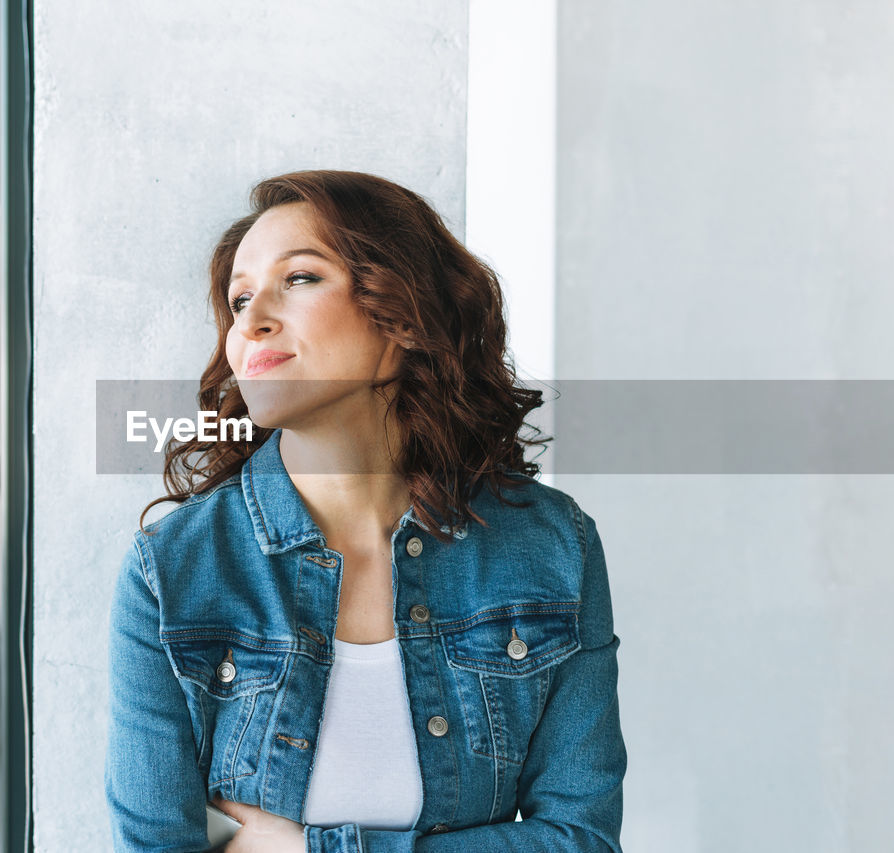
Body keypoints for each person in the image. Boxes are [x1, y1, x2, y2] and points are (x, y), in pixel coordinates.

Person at [104, 169, 626, 852]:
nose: (251, 320)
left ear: (404, 313)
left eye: (299, 279)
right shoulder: (172, 572)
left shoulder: (554, 547)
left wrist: (307, 849)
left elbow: (581, 840)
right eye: (238, 298)